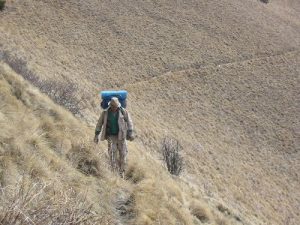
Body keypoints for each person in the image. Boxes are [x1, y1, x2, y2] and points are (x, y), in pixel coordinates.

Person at [94, 97, 134, 178]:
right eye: (113, 107)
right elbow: (99, 123)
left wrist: (130, 132)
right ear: (110, 106)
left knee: (123, 154)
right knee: (112, 154)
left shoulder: (123, 111)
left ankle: (121, 172)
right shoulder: (105, 113)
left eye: (116, 107)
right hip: (111, 136)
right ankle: (114, 173)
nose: (115, 108)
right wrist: (96, 134)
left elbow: (129, 122)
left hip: (121, 136)